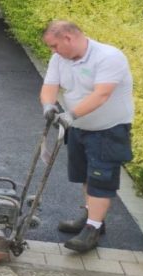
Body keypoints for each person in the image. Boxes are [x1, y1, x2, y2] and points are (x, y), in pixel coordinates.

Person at [40, 20, 134, 253]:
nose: (53, 51)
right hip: (80, 128)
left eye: (54, 46)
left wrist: (70, 115)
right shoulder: (59, 59)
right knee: (86, 177)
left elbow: (102, 94)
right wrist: (48, 106)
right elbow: (50, 86)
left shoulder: (108, 57)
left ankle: (92, 231)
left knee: (101, 180)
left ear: (68, 39)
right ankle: (91, 218)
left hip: (108, 130)